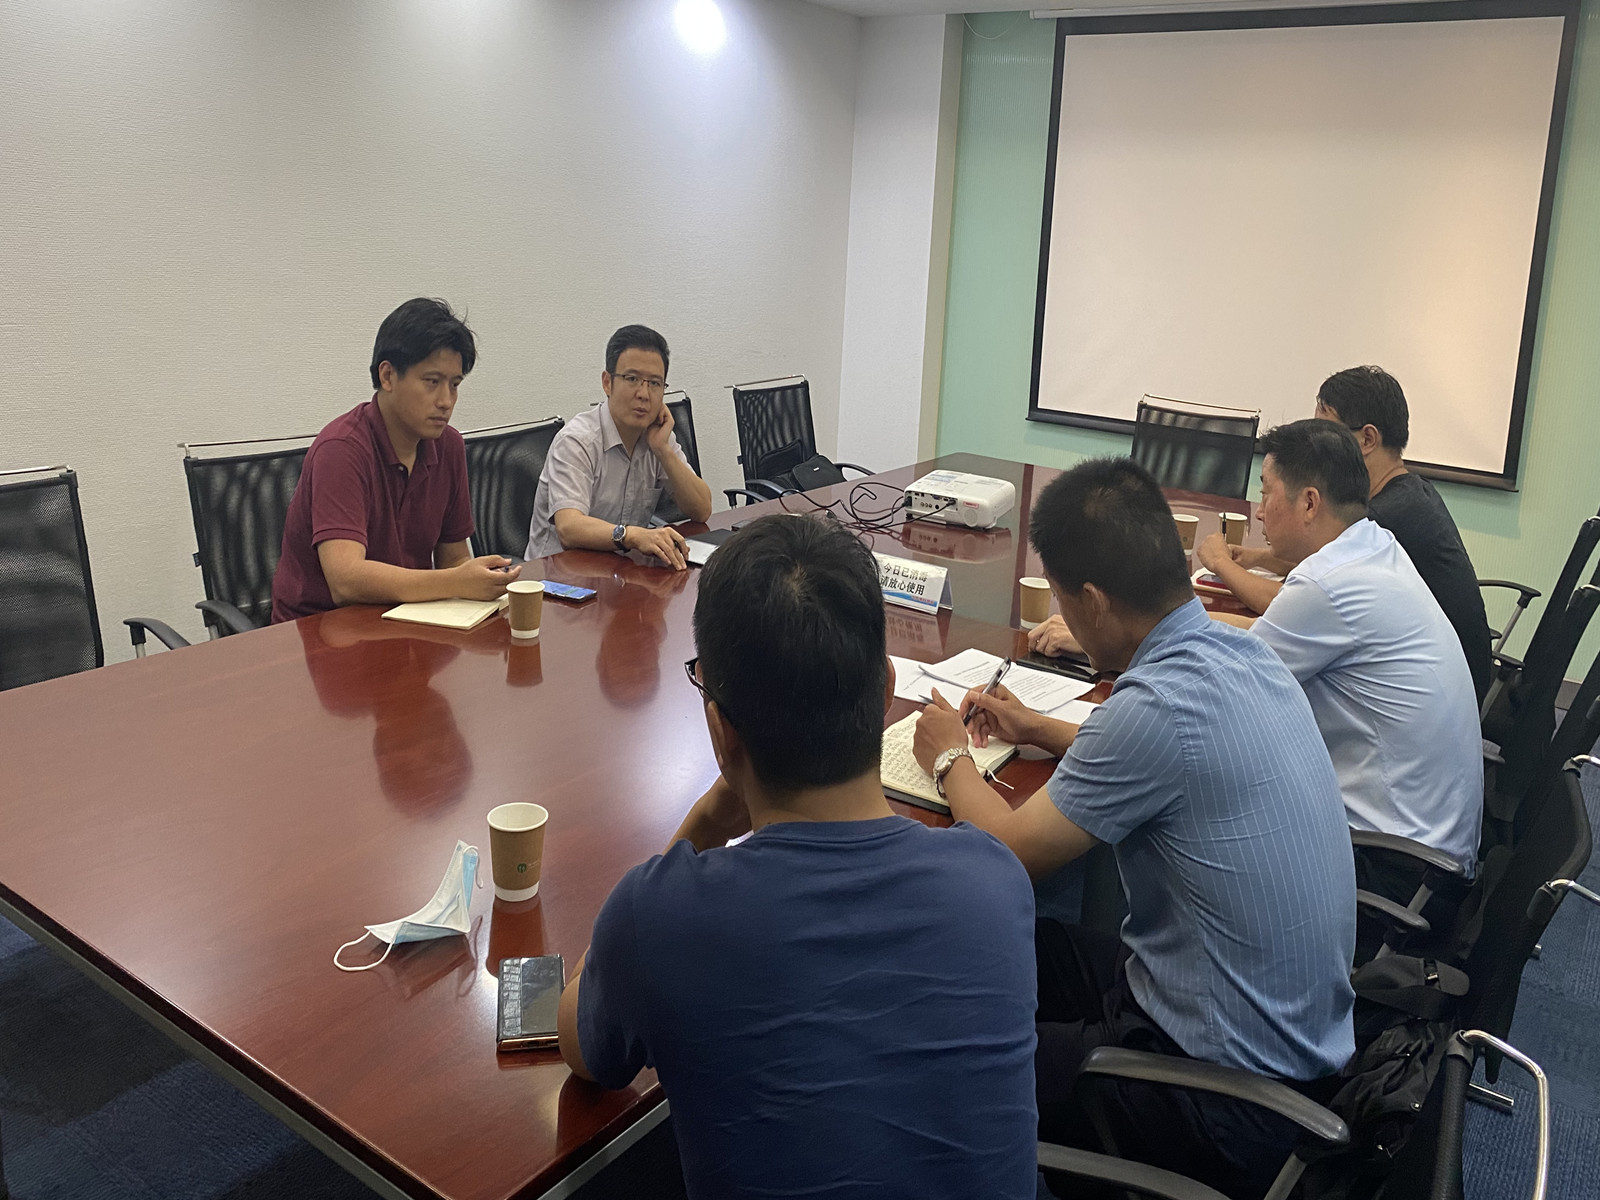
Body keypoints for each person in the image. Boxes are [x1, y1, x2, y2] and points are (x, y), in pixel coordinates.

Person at [557, 514, 1039, 1199]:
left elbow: (583, 1048)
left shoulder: (661, 915)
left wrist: (700, 825)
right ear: (884, 693)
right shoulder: (995, 881)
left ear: (720, 729)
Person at [912, 458, 1355, 1196]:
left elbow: (1004, 856)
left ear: (1091, 602)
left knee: (946, 1061)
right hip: (1285, 1044)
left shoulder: (1154, 709)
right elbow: (1167, 753)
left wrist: (949, 756)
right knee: (1010, 941)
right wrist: (1039, 728)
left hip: (1224, 1100)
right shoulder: (1241, 652)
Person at [1199, 419, 1483, 877]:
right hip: (1435, 843)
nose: (1259, 512)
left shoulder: (1326, 584)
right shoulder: (1374, 545)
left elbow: (1222, 688)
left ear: (1310, 502)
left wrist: (1130, 636)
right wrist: (1178, 620)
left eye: (1266, 493)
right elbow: (1257, 639)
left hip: (1391, 864)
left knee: (1200, 792)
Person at [1190, 367, 1491, 702]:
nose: (1315, 444)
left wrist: (1221, 564)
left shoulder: (1383, 520)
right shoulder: (1395, 511)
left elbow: (1291, 606)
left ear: (1367, 439)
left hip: (1452, 690)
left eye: (1327, 433)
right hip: (1445, 691)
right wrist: (1256, 557)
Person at [271, 298, 519, 622]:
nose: (446, 401)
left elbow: (453, 560)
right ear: (387, 376)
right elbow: (345, 581)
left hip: (406, 619)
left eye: (454, 385)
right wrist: (456, 581)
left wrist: (482, 580)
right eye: (432, 382)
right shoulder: (342, 449)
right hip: (318, 630)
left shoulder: (448, 446)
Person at [524, 324, 712, 569]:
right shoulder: (577, 440)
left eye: (655, 383)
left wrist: (663, 450)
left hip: (618, 570)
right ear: (607, 383)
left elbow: (702, 510)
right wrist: (632, 535)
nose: (644, 393)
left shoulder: (657, 436)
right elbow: (569, 527)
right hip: (556, 577)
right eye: (632, 379)